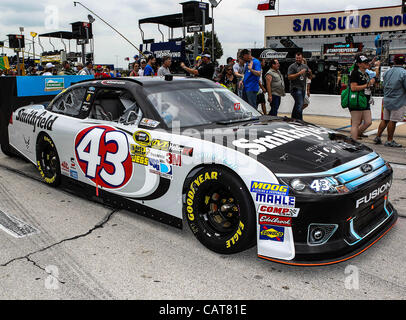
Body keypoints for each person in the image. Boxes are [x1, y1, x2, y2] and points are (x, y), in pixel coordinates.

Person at [373, 54, 406, 148]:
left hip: (387, 100)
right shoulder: (404, 73)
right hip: (398, 101)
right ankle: (389, 140)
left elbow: (383, 84)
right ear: (403, 62)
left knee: (385, 120)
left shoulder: (387, 72)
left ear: (394, 61)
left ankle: (378, 137)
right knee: (393, 121)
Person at [348, 54, 374, 141]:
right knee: (356, 123)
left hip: (365, 100)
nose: (367, 63)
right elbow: (353, 88)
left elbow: (366, 86)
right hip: (357, 100)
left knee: (368, 122)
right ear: (359, 64)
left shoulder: (366, 74)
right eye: (365, 62)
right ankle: (354, 142)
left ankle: (354, 136)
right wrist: (368, 84)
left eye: (367, 62)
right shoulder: (355, 73)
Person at [287, 52, 312, 120]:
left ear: (302, 58)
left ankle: (294, 118)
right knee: (300, 103)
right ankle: (299, 119)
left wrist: (310, 73)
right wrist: (299, 73)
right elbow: (289, 77)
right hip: (295, 88)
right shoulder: (292, 66)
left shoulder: (305, 66)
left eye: (299, 58)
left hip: (302, 88)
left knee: (298, 103)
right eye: (297, 58)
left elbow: (310, 78)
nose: (298, 59)